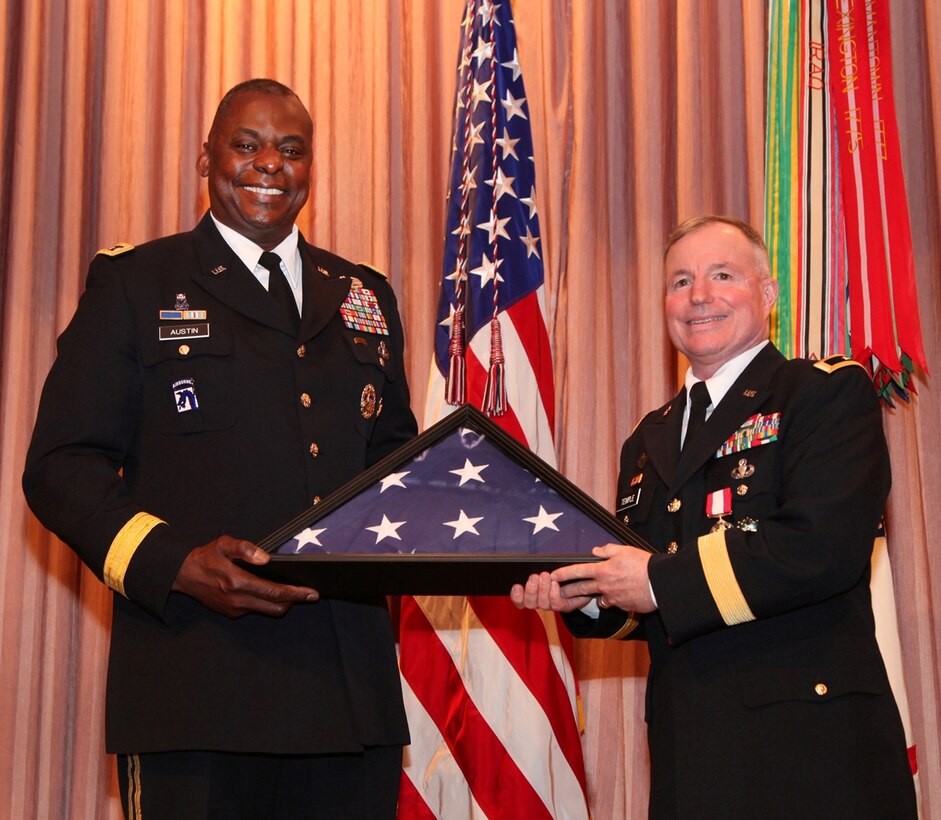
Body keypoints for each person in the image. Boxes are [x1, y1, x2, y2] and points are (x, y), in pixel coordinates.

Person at [23, 79, 417, 819]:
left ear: (311, 170)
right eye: (247, 144)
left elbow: (395, 470)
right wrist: (173, 563)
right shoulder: (137, 283)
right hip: (195, 684)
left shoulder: (364, 295)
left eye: (291, 149)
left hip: (346, 695)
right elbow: (60, 467)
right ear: (206, 158)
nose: (269, 163)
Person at [511, 215, 917, 819]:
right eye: (679, 281)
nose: (698, 295)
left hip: (808, 752)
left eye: (721, 275)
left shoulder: (822, 393)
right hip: (689, 754)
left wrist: (653, 581)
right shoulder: (648, 438)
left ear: (767, 293)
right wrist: (590, 596)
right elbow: (650, 595)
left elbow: (820, 549)